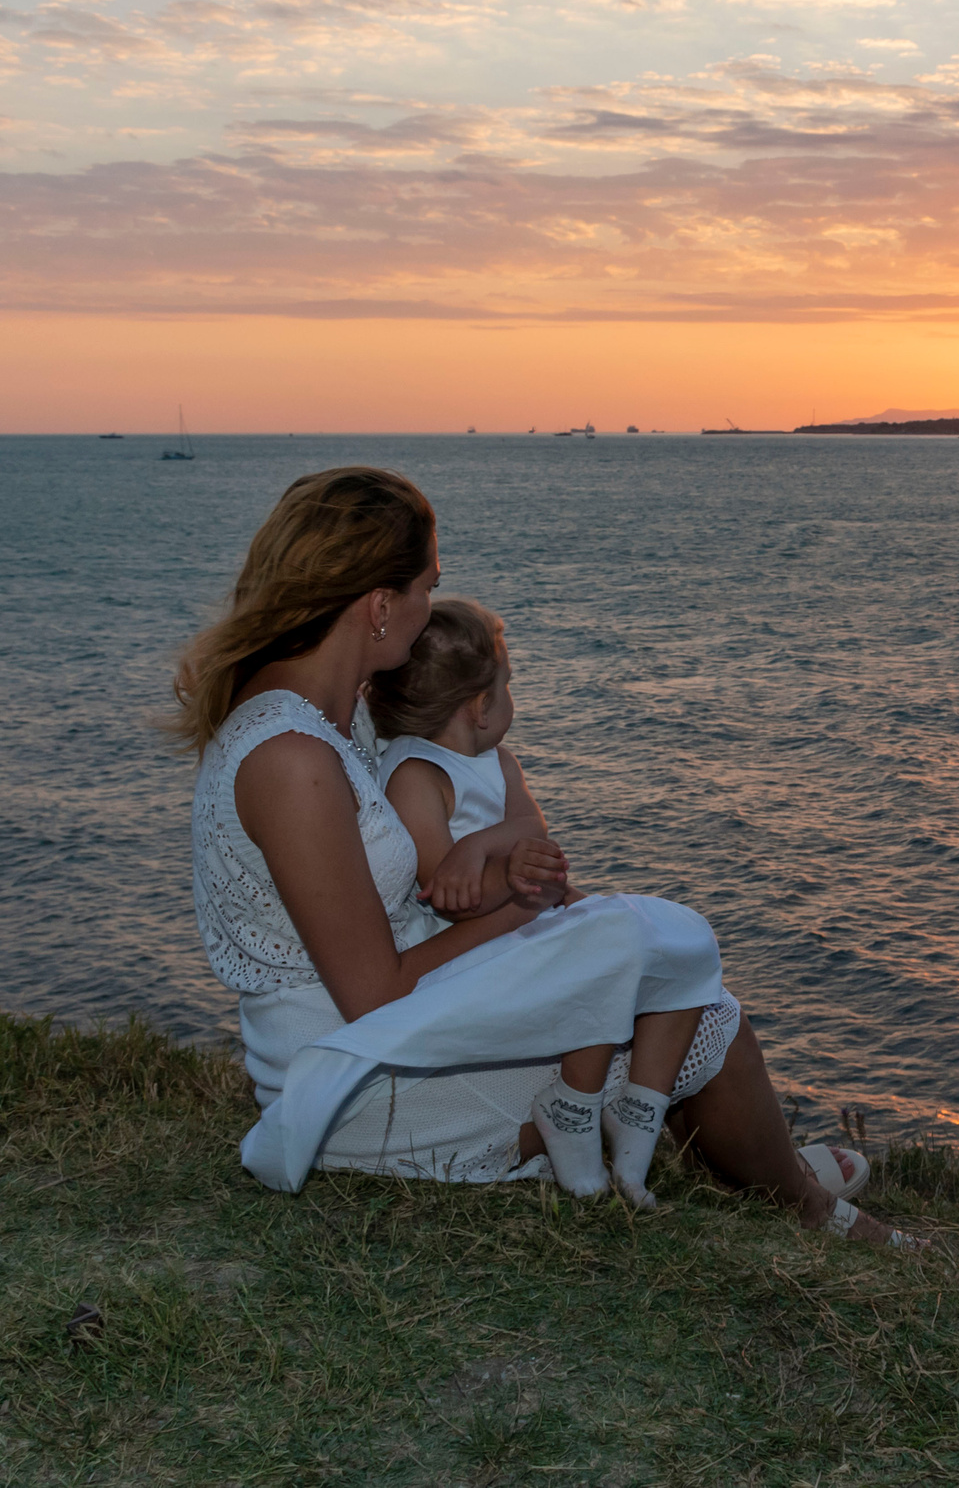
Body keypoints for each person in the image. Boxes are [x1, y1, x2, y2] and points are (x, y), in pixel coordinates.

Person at [174, 465, 906, 1244]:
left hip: (402, 1024)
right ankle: (811, 1209)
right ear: (381, 606)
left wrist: (514, 898)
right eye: (428, 584)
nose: (432, 607)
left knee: (655, 983)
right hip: (359, 1081)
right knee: (695, 1018)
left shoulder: (334, 712)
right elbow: (373, 994)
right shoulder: (290, 756)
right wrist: (525, 906)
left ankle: (772, 1169)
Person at [368, 595, 704, 1206]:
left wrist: (479, 847)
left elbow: (532, 824)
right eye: (508, 684)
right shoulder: (415, 774)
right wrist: (486, 867)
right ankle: (572, 1110)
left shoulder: (497, 759)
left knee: (683, 948)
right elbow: (449, 895)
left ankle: (639, 1114)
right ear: (480, 705)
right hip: (467, 953)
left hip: (521, 924)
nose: (511, 700)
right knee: (608, 951)